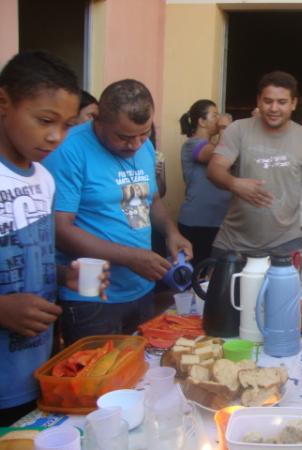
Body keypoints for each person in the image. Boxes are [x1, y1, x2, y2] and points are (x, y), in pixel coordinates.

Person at [0, 52, 108, 425]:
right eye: (45, 121)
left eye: (66, 125)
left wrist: (65, 276)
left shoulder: (44, 179)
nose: (55, 137)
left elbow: (32, 257)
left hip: (35, 370)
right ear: (4, 103)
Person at [43, 79, 192, 345]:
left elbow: (152, 198)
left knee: (139, 376)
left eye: (143, 134)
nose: (135, 145)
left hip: (141, 290)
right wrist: (131, 258)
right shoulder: (69, 150)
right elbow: (61, 229)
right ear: (98, 120)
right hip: (93, 297)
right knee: (98, 380)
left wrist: (171, 231)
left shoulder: (142, 145)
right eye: (123, 137)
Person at [207, 71, 302, 256]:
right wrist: (234, 183)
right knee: (217, 286)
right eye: (268, 101)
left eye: (282, 102)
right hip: (233, 242)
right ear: (258, 101)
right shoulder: (239, 129)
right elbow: (214, 168)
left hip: (285, 244)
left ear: (293, 104)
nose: (274, 108)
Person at [178, 99, 231, 265]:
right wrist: (224, 128)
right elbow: (218, 155)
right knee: (196, 275)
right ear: (201, 121)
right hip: (198, 223)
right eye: (214, 115)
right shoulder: (191, 145)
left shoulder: (213, 144)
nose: (218, 119)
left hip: (218, 222)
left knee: (212, 277)